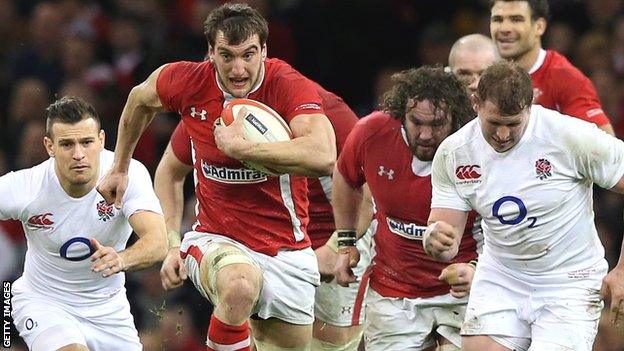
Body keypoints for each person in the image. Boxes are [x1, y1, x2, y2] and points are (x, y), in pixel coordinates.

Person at [97, 3, 337, 350]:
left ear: (265, 51)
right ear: (210, 52)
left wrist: (242, 149)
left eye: (248, 55)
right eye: (227, 56)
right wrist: (120, 167)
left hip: (287, 249)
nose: (238, 69)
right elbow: (139, 100)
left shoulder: (287, 85)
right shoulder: (189, 83)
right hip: (215, 239)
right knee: (239, 286)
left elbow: (323, 156)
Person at [424, 60, 624, 351]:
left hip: (568, 281)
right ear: (475, 103)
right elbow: (445, 236)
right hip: (502, 276)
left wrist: (622, 270)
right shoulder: (455, 152)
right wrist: (435, 239)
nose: (503, 135)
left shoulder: (571, 136)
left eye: (513, 124)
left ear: (530, 106)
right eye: (494, 123)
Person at [157, 86, 370, 350]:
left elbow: (367, 201)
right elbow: (168, 171)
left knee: (330, 345)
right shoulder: (208, 106)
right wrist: (171, 243)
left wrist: (334, 247)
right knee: (240, 293)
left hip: (338, 233)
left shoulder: (329, 113)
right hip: (265, 243)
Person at [328, 66, 479, 351]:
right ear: (401, 113)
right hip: (395, 291)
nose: (424, 134)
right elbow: (345, 177)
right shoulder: (372, 133)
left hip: (463, 290)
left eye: (436, 124)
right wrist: (346, 243)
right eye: (415, 122)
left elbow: (500, 223)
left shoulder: (476, 146)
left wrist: (478, 270)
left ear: (456, 119)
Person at [3, 96, 167, 351]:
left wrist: (121, 259)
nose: (78, 154)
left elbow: (158, 242)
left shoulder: (127, 174)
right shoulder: (26, 187)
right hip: (43, 301)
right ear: (49, 146)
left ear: (101, 140)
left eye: (87, 142)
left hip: (108, 310)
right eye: (67, 144)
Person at [489, 0, 615, 135]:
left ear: (539, 27)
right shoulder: (482, 72)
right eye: (498, 20)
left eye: (516, 20)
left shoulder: (565, 78)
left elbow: (607, 144)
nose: (504, 28)